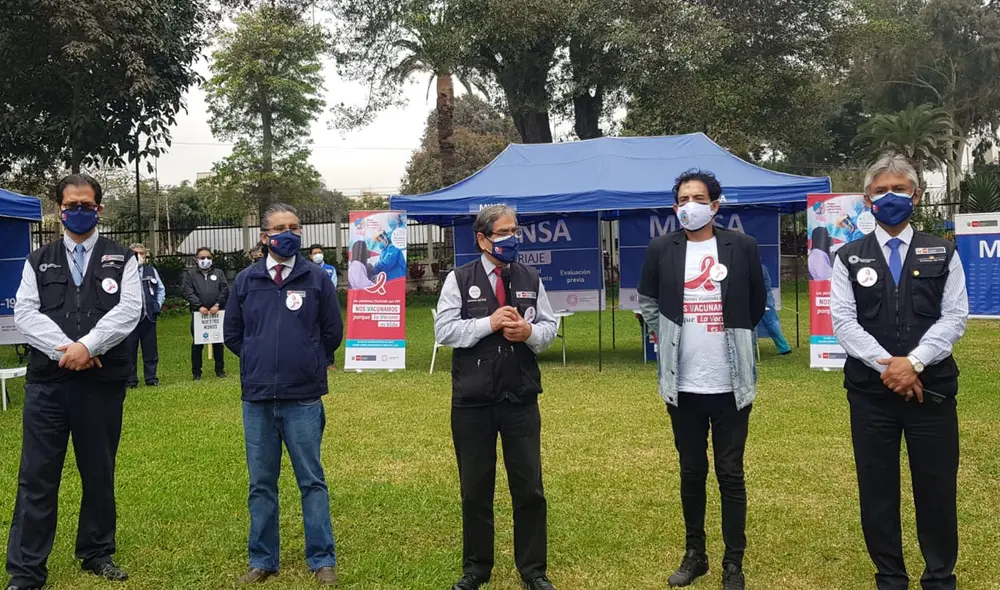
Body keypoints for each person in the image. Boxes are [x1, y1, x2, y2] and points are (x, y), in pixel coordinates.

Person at [831, 153, 968, 590]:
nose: (891, 197)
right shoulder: (849, 257)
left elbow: (955, 316)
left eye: (900, 190)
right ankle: (890, 577)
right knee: (877, 493)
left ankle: (939, 578)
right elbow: (843, 321)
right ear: (868, 199)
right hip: (871, 396)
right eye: (881, 191)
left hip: (933, 392)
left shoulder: (942, 251)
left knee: (937, 490)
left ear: (918, 196)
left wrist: (915, 362)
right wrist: (887, 366)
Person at [6, 174, 142, 590]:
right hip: (49, 384)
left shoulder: (123, 258)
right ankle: (26, 571)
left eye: (87, 204)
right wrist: (69, 349)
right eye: (71, 205)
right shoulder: (37, 260)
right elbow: (26, 314)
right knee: (36, 476)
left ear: (99, 209)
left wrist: (90, 345)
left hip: (101, 384)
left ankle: (96, 552)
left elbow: (129, 309)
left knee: (98, 471)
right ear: (59, 210)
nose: (78, 211)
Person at [637, 170, 766, 590]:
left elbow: (756, 303)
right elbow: (648, 302)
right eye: (682, 198)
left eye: (698, 197)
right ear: (676, 207)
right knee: (692, 471)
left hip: (731, 384)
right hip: (683, 385)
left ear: (714, 205)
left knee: (731, 473)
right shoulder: (662, 249)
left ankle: (733, 562)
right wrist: (669, 339)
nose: (689, 205)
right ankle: (696, 554)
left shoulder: (741, 246)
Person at [434, 205, 559, 590]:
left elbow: (550, 326)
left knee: (529, 487)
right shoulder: (459, 279)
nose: (512, 239)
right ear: (482, 239)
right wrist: (487, 324)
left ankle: (533, 570)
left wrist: (530, 333)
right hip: (473, 400)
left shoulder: (530, 277)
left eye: (514, 231)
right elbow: (443, 330)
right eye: (503, 232)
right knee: (475, 488)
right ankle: (476, 569)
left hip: (519, 398)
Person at [224, 203, 343, 586]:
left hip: (303, 397)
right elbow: (233, 334)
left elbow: (331, 332)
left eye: (294, 227)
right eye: (280, 228)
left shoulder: (316, 278)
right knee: (261, 483)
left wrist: (307, 362)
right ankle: (263, 559)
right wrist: (259, 360)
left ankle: (322, 559)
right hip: (257, 398)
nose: (288, 233)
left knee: (311, 480)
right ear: (264, 236)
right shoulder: (246, 280)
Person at [180, 247, 228, 380]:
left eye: (208, 257)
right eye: (202, 258)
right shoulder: (190, 274)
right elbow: (187, 291)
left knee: (218, 341)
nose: (205, 260)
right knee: (197, 343)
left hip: (216, 313)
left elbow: (224, 289)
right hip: (199, 315)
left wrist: (217, 304)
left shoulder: (219, 273)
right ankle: (196, 372)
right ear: (196, 260)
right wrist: (199, 305)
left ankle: (220, 369)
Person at [125, 243, 165, 387]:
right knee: (129, 350)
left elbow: (160, 289)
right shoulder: (123, 273)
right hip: (130, 319)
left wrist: (157, 305)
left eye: (142, 254)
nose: (139, 257)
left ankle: (151, 378)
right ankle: (131, 380)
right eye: (136, 254)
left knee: (151, 350)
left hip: (149, 317)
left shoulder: (151, 271)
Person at [757, 264, 791, 355]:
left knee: (770, 322)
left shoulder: (757, 267)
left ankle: (784, 348)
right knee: (771, 322)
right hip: (765, 296)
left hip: (762, 296)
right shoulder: (762, 266)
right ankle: (784, 347)